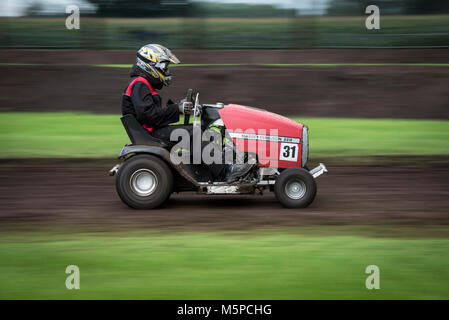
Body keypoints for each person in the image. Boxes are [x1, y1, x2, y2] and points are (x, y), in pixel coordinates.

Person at [122, 44, 254, 182]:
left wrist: (179, 107)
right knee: (193, 133)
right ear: (151, 66)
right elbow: (148, 116)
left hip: (150, 130)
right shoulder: (140, 84)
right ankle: (226, 171)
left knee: (200, 129)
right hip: (149, 133)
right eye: (165, 68)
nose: (167, 71)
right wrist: (177, 109)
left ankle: (215, 166)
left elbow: (153, 114)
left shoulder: (141, 84)